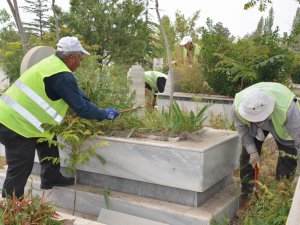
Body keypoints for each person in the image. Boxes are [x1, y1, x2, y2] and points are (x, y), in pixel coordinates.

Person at [0, 36, 120, 198]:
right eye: (80, 58)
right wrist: (105, 113)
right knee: (21, 167)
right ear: (71, 57)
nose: (81, 61)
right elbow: (82, 109)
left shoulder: (53, 64)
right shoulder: (62, 75)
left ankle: (51, 176)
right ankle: (11, 210)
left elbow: (75, 94)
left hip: (13, 117)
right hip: (14, 124)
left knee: (48, 141)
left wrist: (92, 104)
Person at [232, 82, 300, 203]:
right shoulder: (238, 107)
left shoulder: (288, 109)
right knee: (247, 157)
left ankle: (280, 196)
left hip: (282, 124)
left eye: (260, 118)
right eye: (254, 118)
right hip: (254, 126)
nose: (258, 121)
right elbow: (243, 132)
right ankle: (248, 195)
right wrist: (252, 152)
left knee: (288, 157)